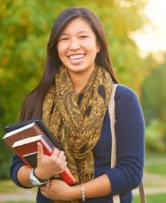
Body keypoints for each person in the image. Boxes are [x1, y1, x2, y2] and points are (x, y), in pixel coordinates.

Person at [9, 6, 145, 203]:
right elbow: (16, 168)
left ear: (98, 44)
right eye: (64, 39)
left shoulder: (123, 100)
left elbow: (131, 172)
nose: (74, 46)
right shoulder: (37, 99)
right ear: (56, 47)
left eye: (82, 37)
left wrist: (73, 193)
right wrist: (39, 173)